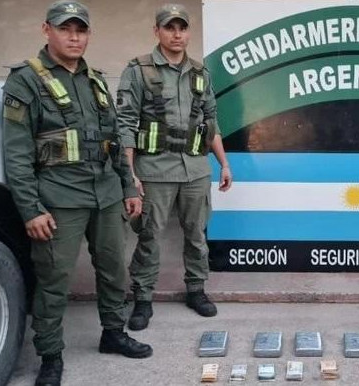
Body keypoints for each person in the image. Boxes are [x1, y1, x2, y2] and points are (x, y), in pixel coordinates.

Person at [2, 1, 154, 385]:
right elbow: (17, 154)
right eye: (65, 28)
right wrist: (30, 210)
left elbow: (114, 142)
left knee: (113, 270)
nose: (74, 36)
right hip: (59, 197)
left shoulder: (96, 79)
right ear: (46, 30)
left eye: (81, 30)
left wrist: (127, 186)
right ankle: (50, 355)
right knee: (54, 279)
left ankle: (113, 333)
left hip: (105, 194)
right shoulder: (25, 80)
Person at [116, 3, 232, 331]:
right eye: (170, 27)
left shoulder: (200, 73)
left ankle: (196, 289)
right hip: (154, 170)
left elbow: (211, 122)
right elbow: (124, 125)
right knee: (149, 235)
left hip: (195, 169)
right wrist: (130, 174)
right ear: (157, 31)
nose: (177, 34)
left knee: (196, 235)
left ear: (189, 32)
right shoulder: (138, 71)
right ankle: (142, 298)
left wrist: (224, 164)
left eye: (182, 27)